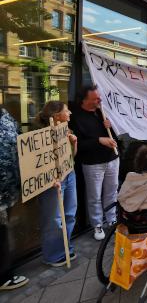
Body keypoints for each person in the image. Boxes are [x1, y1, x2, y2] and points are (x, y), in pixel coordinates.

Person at [70, 85, 119, 241]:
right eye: (95, 98)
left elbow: (116, 138)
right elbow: (79, 145)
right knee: (95, 196)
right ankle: (97, 224)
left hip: (112, 159)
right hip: (92, 163)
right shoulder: (76, 117)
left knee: (112, 192)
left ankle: (111, 219)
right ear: (84, 100)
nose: (99, 100)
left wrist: (111, 127)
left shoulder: (102, 112)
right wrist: (99, 140)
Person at [36, 101, 78, 267]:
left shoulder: (66, 130)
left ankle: (65, 249)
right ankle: (53, 255)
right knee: (54, 219)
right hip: (52, 182)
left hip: (69, 175)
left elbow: (71, 157)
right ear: (56, 116)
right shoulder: (40, 135)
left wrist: (74, 144)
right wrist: (50, 179)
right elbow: (36, 163)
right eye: (66, 111)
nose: (69, 113)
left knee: (69, 214)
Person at [0, 108, 28, 290]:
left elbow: (21, 139)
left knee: (3, 230)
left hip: (8, 190)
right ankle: (3, 276)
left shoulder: (5, 115)